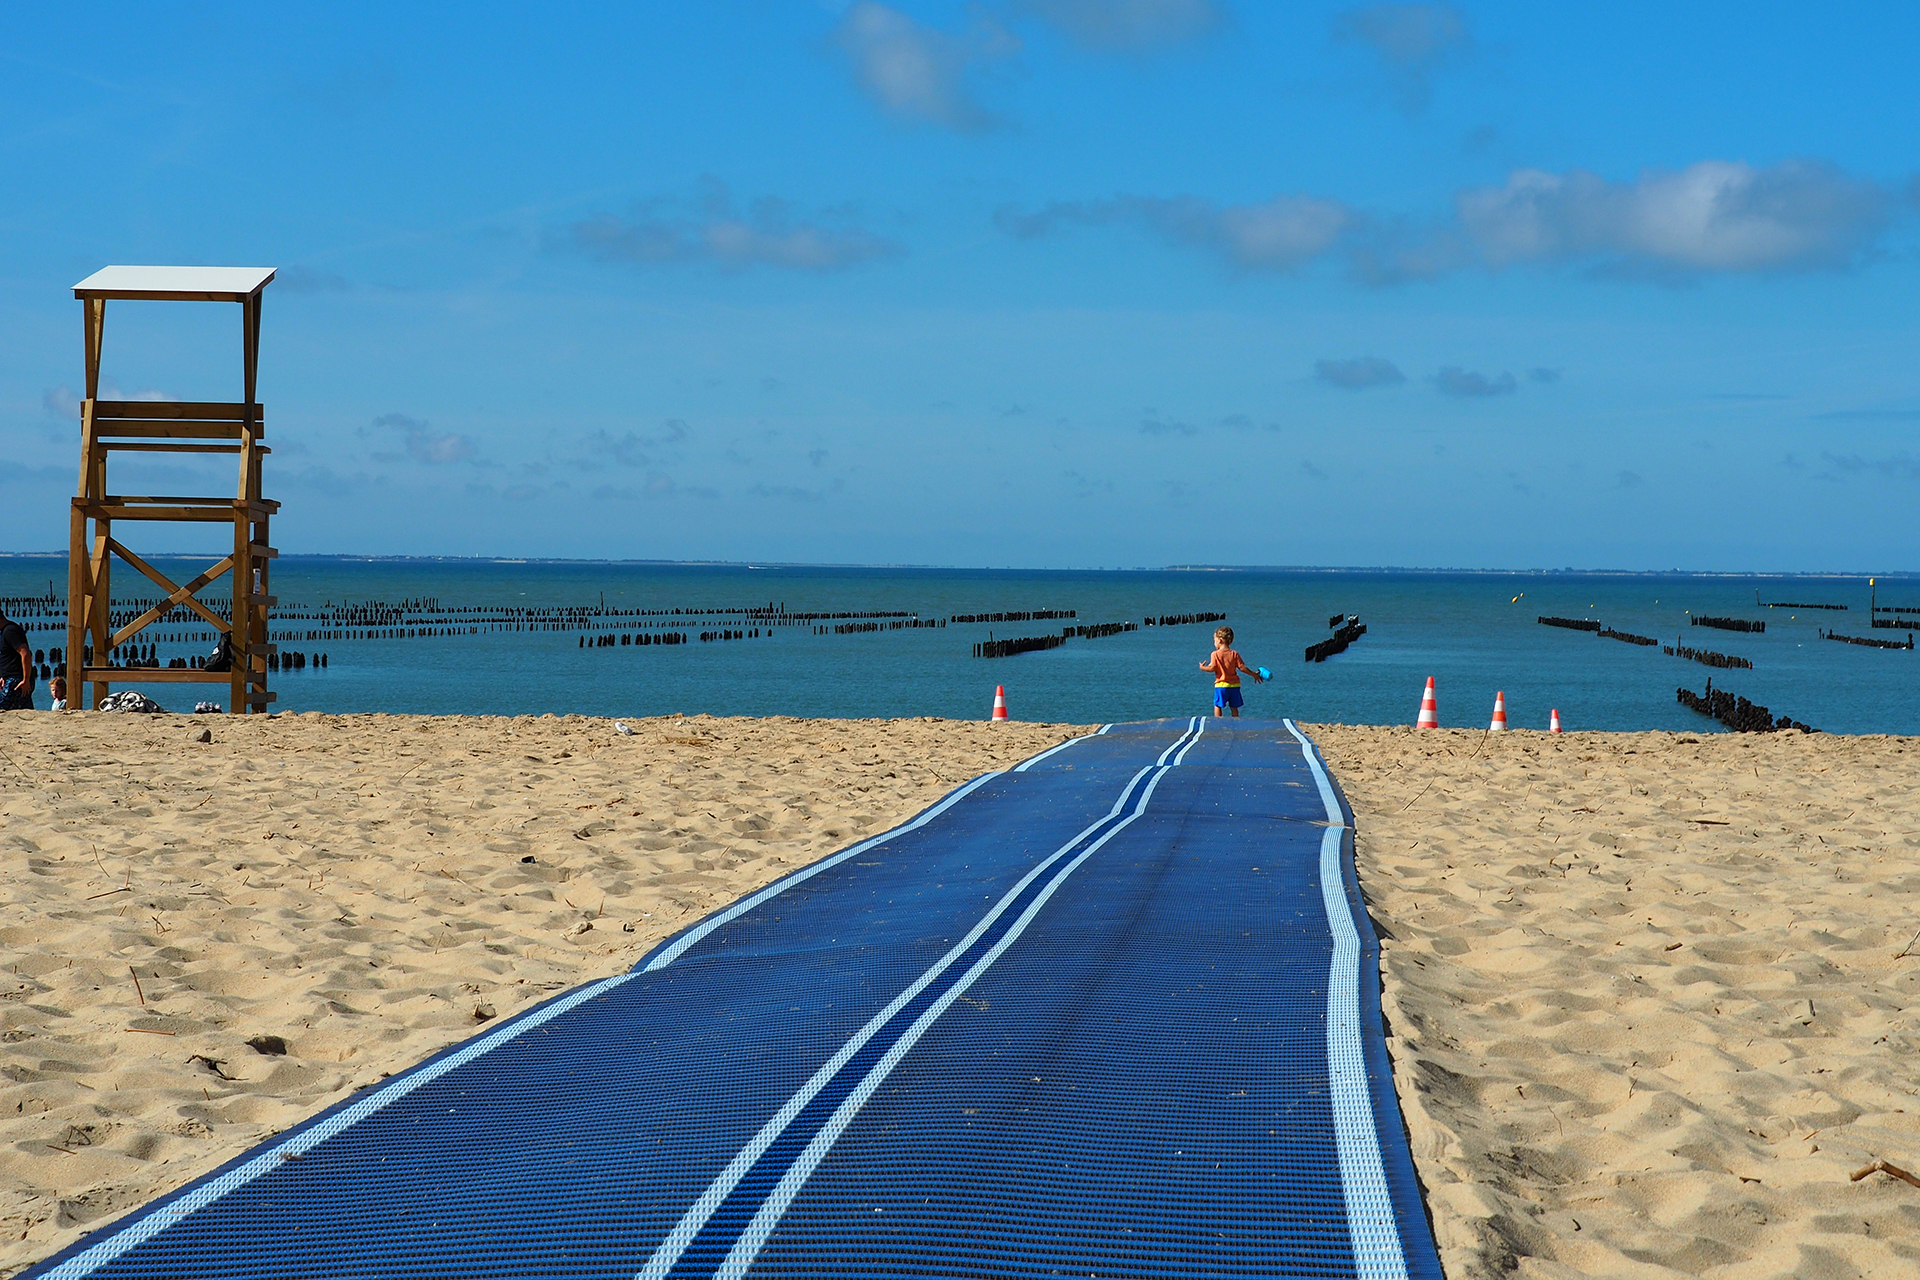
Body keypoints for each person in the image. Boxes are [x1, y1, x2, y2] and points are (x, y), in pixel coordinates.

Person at [1199, 625, 1262, 718]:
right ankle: (1235, 721)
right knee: (1234, 707)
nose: (1214, 643)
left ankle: (1218, 722)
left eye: (1214, 640)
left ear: (1220, 640)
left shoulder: (1215, 654)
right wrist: (1253, 674)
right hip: (1235, 685)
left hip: (1221, 685)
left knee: (1218, 705)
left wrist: (1202, 667)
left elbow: (1212, 668)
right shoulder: (1234, 654)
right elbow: (1242, 667)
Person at [0, 609, 33, 711]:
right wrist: (3, 676)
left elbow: (25, 653)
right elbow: (8, 657)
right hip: (10, 679)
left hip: (16, 680)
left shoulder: (10, 631)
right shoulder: (4, 631)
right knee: (23, 709)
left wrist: (26, 679)